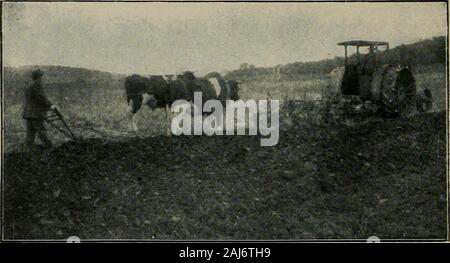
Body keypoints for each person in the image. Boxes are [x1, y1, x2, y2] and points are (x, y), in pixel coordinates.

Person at [22, 69, 57, 149]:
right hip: (36, 113)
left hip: (28, 113)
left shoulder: (28, 85)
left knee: (30, 133)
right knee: (42, 131)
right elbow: (41, 98)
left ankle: (29, 150)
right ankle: (50, 147)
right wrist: (50, 106)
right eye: (41, 76)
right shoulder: (37, 85)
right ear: (39, 77)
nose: (42, 78)